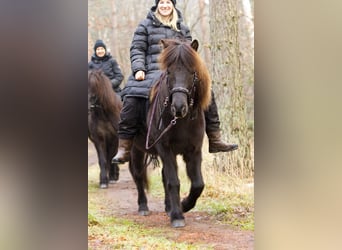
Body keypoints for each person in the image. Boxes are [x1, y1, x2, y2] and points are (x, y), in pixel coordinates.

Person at [113, 0, 238, 163]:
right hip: (149, 72)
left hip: (178, 74)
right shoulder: (145, 26)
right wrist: (139, 69)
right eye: (162, 2)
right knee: (131, 99)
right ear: (157, 5)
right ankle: (125, 147)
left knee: (208, 93)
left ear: (173, 5)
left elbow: (190, 53)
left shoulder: (182, 28)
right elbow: (137, 49)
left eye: (168, 2)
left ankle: (215, 138)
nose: (165, 5)